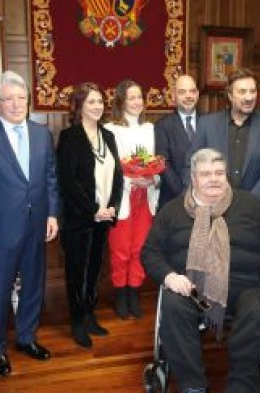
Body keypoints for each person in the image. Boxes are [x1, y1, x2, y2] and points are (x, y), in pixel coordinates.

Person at [142, 148, 260, 393]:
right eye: (206, 173)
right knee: (172, 303)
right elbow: (150, 252)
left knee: (256, 309)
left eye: (219, 173)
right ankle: (193, 387)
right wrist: (169, 277)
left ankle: (241, 387)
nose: (214, 179)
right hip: (191, 288)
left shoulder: (252, 206)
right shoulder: (172, 211)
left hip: (244, 287)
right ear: (194, 178)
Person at [0, 70, 59, 376]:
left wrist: (52, 214)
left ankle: (26, 337)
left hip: (37, 225)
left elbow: (50, 178)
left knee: (34, 285)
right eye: (9, 99)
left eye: (22, 98)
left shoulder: (41, 133)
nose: (17, 104)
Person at [56, 82, 123, 348]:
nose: (97, 106)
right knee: (77, 273)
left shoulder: (108, 136)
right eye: (91, 102)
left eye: (100, 102)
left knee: (94, 270)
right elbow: (68, 182)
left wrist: (113, 206)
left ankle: (89, 314)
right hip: (79, 219)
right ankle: (77, 321)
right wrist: (93, 210)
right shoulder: (69, 137)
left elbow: (117, 175)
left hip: (103, 218)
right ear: (80, 106)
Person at [104, 80, 159, 319]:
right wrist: (129, 181)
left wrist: (152, 179)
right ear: (121, 101)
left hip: (145, 197)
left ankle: (134, 292)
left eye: (140, 97)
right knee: (121, 249)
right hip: (122, 197)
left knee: (139, 248)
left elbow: (156, 163)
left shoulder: (150, 128)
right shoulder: (110, 129)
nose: (137, 102)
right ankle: (121, 294)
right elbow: (107, 168)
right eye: (131, 97)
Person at [185, 67, 260, 201]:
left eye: (252, 91)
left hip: (254, 208)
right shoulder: (207, 124)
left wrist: (250, 201)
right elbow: (192, 163)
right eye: (242, 92)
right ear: (230, 96)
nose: (249, 97)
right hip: (212, 205)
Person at [155, 74, 199, 208]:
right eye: (182, 92)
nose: (188, 96)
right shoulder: (162, 126)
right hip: (173, 200)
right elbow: (163, 163)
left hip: (205, 199)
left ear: (197, 94)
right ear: (173, 97)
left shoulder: (209, 122)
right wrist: (184, 193)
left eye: (192, 91)